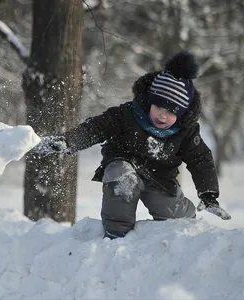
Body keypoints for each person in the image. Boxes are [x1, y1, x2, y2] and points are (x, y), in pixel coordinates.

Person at [35, 50, 231, 239]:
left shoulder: (186, 132)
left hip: (160, 178)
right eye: (159, 107)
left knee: (171, 212)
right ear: (150, 101)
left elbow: (201, 160)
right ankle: (116, 235)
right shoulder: (127, 114)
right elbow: (94, 128)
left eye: (171, 112)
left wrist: (208, 194)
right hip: (123, 163)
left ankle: (184, 226)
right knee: (123, 179)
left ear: (181, 115)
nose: (163, 115)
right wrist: (67, 141)